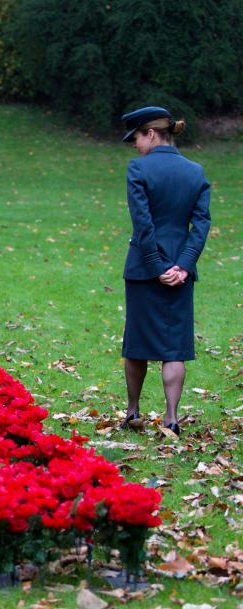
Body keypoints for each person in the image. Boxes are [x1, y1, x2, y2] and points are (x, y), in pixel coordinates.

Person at [118, 106, 211, 437]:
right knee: (174, 346)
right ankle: (171, 419)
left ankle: (133, 413)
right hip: (181, 274)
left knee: (137, 344)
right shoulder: (196, 171)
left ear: (152, 134)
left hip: (144, 270)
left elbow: (143, 225)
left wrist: (157, 267)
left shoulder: (139, 169)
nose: (134, 145)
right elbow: (200, 224)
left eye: (137, 137)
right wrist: (183, 264)